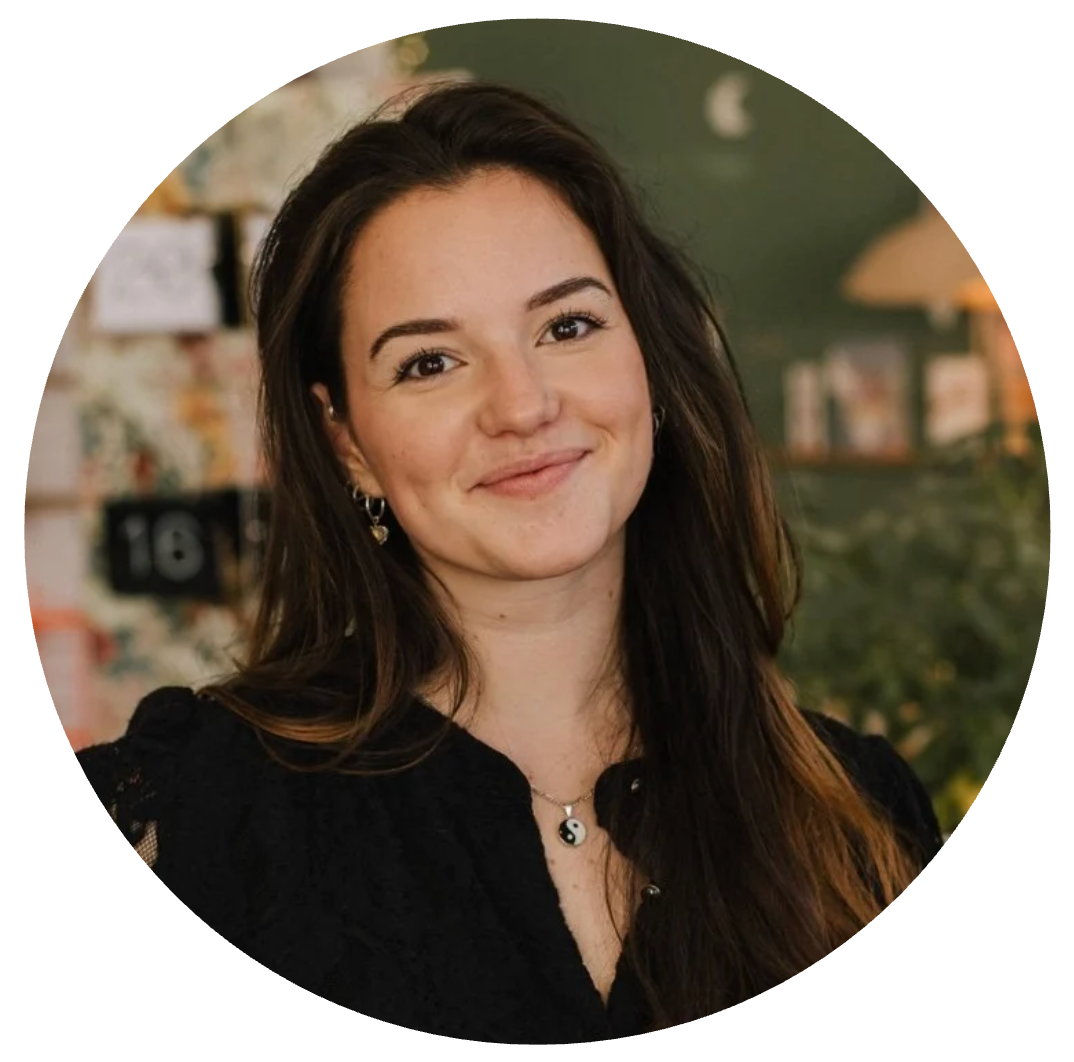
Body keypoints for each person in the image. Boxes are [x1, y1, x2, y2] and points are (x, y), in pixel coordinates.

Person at [77, 80, 943, 1045]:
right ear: (346, 441)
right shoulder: (168, 824)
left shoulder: (865, 818)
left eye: (567, 326)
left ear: (648, 357)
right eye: (430, 362)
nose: (523, 404)